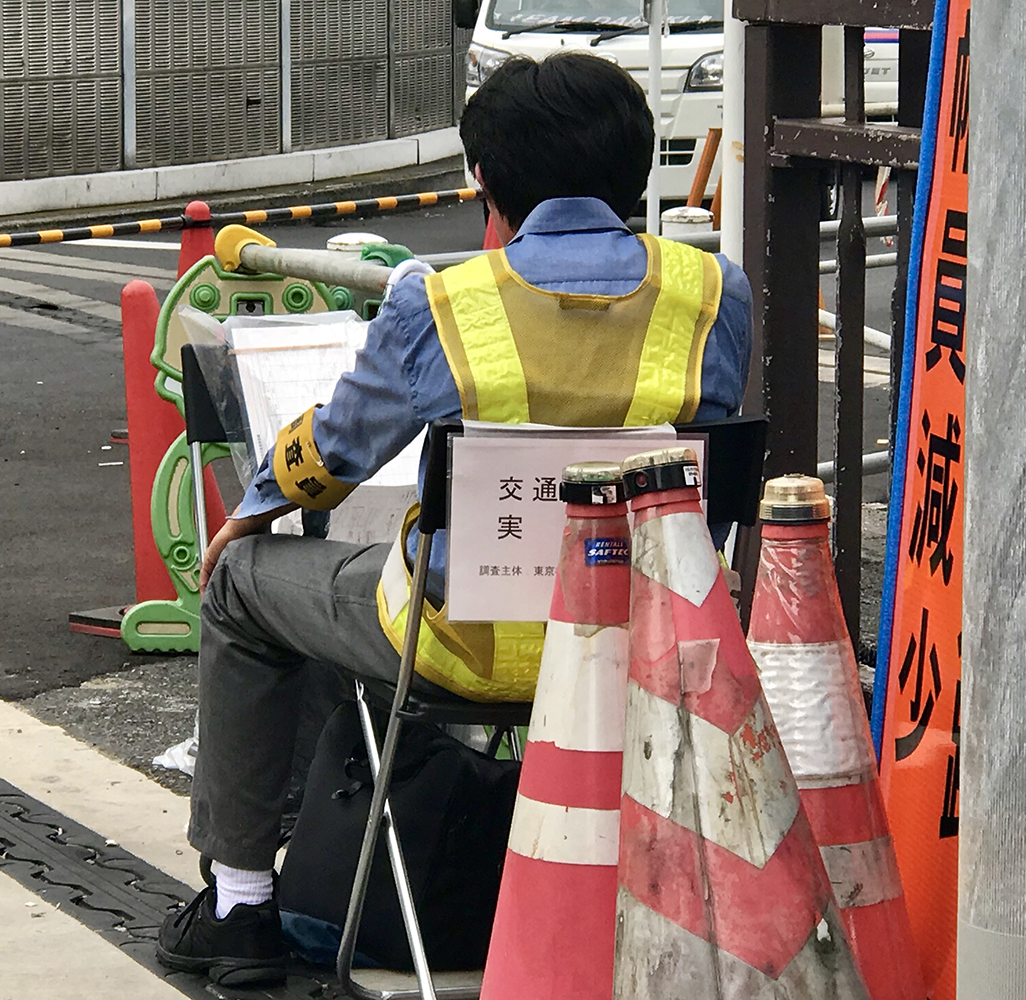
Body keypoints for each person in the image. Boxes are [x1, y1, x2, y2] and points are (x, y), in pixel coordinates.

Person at [155, 50, 753, 987]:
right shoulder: (717, 294)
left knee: (249, 584)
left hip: (461, 645)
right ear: (636, 169)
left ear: (487, 178)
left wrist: (261, 502)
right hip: (650, 640)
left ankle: (241, 903)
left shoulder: (439, 300)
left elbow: (338, 450)